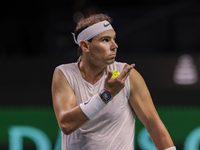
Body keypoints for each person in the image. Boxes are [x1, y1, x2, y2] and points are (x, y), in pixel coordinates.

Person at [51, 13, 176, 150]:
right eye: (105, 40)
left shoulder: (126, 74)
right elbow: (66, 125)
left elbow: (153, 125)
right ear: (85, 46)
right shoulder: (64, 73)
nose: (114, 45)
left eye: (114, 39)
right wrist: (107, 94)